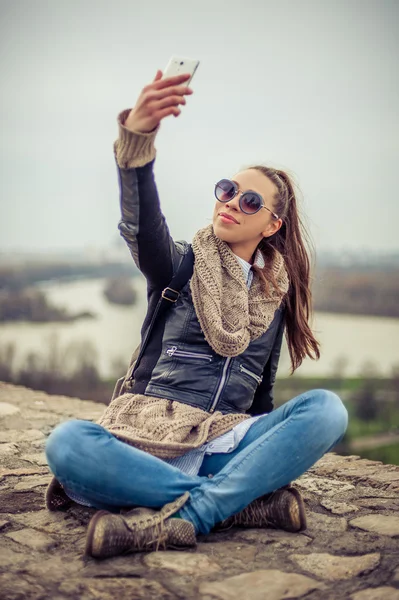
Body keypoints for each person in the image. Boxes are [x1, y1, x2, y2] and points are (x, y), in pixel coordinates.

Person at [45, 70, 348, 559]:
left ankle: (188, 516)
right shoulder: (180, 263)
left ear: (272, 224)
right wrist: (137, 141)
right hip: (148, 442)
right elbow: (143, 225)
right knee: (68, 443)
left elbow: (260, 399)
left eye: (249, 200)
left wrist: (260, 451)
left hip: (226, 444)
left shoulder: (274, 298)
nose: (230, 202)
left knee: (327, 410)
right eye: (227, 189)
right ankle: (235, 505)